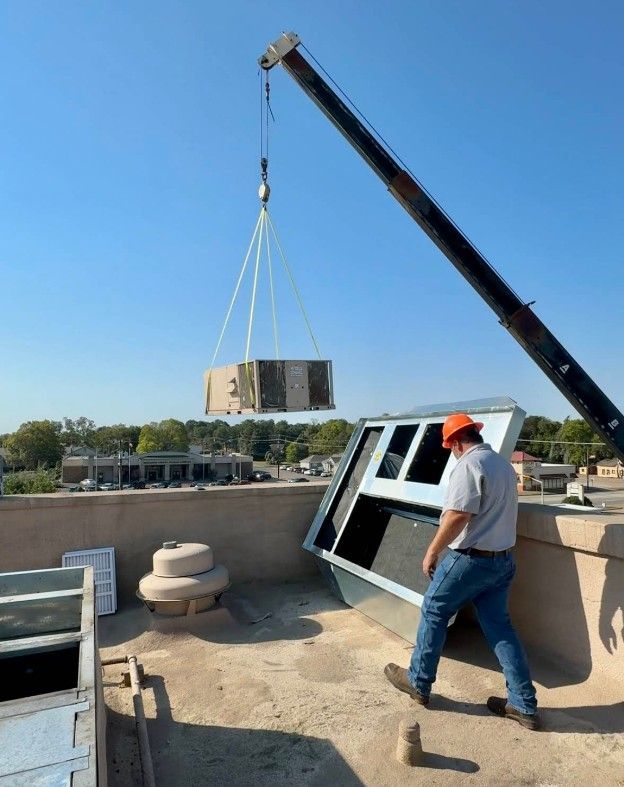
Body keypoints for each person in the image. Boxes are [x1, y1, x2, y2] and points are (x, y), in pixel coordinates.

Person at [384, 413, 539, 730]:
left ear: (455, 442)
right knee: (500, 628)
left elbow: (457, 516)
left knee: (434, 610)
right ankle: (523, 705)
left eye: (449, 446)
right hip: (503, 561)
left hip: (471, 559)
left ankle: (418, 682)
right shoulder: (503, 465)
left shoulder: (468, 465)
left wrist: (432, 550)